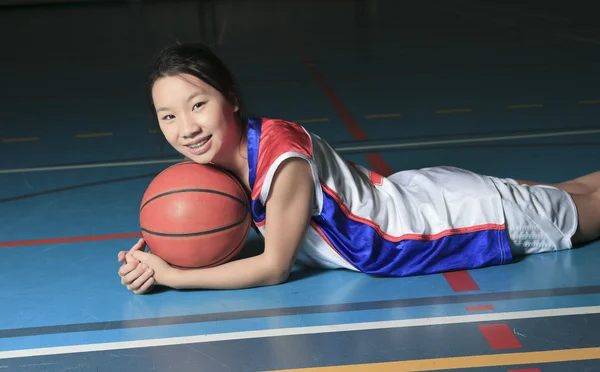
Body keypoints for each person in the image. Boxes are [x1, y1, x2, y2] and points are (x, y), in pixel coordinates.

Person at [118, 43, 600, 295]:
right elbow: (206, 229)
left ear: (232, 98)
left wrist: (174, 276)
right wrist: (156, 256)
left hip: (441, 224)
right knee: (576, 189)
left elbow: (272, 268)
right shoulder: (228, 158)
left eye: (198, 104)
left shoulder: (280, 161)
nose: (186, 127)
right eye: (168, 116)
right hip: (418, 196)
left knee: (585, 212)